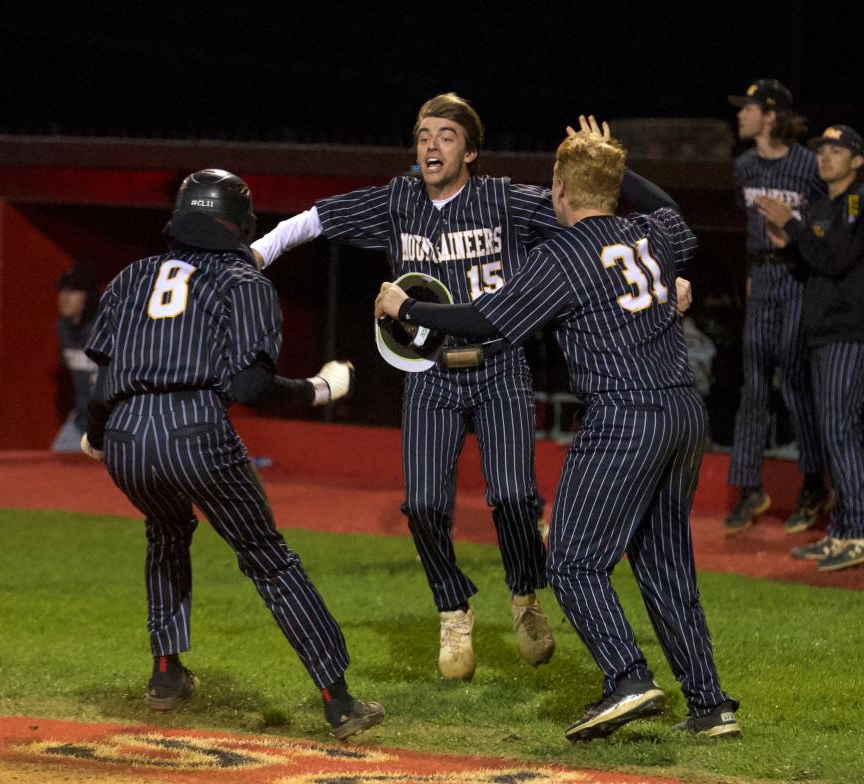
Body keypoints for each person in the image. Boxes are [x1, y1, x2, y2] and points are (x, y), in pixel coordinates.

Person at [376, 119, 739, 740]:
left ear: (562, 188)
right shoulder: (650, 233)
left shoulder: (563, 255)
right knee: (664, 564)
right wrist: (613, 165)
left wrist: (406, 308)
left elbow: (484, 319)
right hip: (683, 414)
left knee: (571, 564)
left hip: (625, 416)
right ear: (614, 186)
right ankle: (709, 705)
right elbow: (672, 210)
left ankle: (627, 678)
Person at [252, 93, 557, 681]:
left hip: (499, 367)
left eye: (445, 135)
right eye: (423, 136)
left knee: (516, 496)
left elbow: (584, 220)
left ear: (470, 150)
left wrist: (662, 265)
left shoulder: (505, 198)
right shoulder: (399, 200)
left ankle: (525, 598)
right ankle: (453, 610)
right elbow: (318, 218)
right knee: (421, 505)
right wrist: (258, 252)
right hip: (429, 374)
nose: (431, 146)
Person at [79, 168, 384, 740]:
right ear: (241, 223)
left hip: (124, 435)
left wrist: (98, 438)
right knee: (268, 559)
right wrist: (320, 388)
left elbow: (101, 384)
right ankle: (338, 700)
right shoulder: (243, 281)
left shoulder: (131, 277)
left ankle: (166, 675)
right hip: (194, 430)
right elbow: (249, 387)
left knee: (166, 532)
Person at [756, 125, 864, 571]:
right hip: (826, 331)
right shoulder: (823, 205)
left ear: (857, 160)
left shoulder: (859, 201)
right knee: (833, 429)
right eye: (822, 150)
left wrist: (792, 225)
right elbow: (813, 267)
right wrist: (787, 244)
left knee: (839, 429)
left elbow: (835, 258)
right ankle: (845, 531)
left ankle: (863, 531)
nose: (826, 156)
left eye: (837, 150)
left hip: (849, 331)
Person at [724, 79, 830, 535]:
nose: (739, 116)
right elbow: (749, 223)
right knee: (752, 385)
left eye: (747, 108)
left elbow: (827, 223)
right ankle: (749, 488)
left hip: (798, 277)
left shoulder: (808, 166)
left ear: (769, 115)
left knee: (795, 382)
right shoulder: (745, 166)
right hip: (762, 278)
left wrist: (797, 236)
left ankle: (813, 485)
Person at [50, 267, 99, 452]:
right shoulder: (64, 329)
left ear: (89, 296)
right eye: (62, 290)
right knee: (55, 465)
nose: (65, 297)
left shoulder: (104, 329)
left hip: (111, 424)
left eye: (73, 291)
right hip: (80, 422)